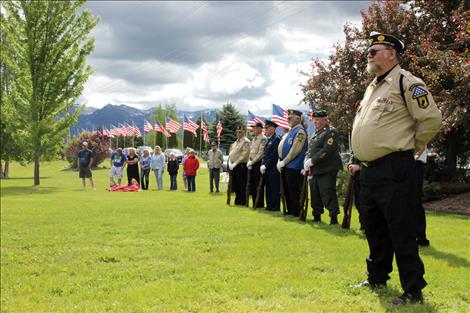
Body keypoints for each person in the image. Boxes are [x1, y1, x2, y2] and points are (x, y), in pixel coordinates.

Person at [351, 32, 442, 305]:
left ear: (391, 54)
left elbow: (431, 120)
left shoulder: (408, 83)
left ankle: (413, 290)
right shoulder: (372, 87)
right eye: (368, 51)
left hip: (395, 168)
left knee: (401, 230)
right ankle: (377, 276)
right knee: (374, 227)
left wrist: (411, 147)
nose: (369, 54)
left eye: (374, 51)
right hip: (369, 171)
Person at [303, 110, 343, 224]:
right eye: (314, 120)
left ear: (325, 120)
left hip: (327, 168)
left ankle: (333, 218)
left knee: (327, 192)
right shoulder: (315, 133)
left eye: (319, 120)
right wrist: (306, 160)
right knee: (315, 193)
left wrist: (313, 161)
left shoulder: (331, 132)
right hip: (315, 169)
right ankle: (317, 216)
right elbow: (310, 150)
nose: (316, 122)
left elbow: (327, 150)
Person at [277, 109, 307, 216]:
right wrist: (280, 160)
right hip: (286, 165)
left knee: (293, 190)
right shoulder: (291, 131)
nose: (288, 119)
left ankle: (296, 212)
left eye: (290, 117)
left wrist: (284, 162)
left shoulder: (300, 132)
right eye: (288, 117)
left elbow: (295, 150)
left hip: (294, 165)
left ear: (298, 119)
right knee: (287, 190)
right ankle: (290, 210)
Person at [260, 120, 281, 211]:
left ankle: (275, 206)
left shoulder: (276, 139)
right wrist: (262, 164)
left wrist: (266, 165)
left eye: (267, 128)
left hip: (273, 168)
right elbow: (265, 155)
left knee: (274, 187)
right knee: (268, 187)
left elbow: (274, 155)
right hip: (267, 168)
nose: (265, 130)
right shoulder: (269, 139)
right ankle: (269, 205)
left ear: (273, 128)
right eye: (265, 128)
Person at [247, 122, 267, 208]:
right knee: (252, 184)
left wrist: (252, 162)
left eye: (254, 128)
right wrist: (249, 161)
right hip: (252, 164)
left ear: (259, 129)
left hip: (258, 163)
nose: (253, 129)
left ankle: (259, 203)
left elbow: (261, 153)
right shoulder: (254, 139)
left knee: (258, 185)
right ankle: (255, 202)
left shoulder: (263, 139)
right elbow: (251, 152)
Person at [228, 126, 251, 205]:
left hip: (241, 166)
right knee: (236, 184)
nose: (238, 133)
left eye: (240, 131)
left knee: (242, 185)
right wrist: (231, 162)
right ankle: (237, 201)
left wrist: (235, 163)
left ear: (244, 131)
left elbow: (244, 155)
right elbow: (232, 153)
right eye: (237, 131)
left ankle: (242, 201)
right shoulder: (235, 142)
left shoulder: (246, 142)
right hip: (234, 166)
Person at [415, 145, 430, 246]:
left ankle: (421, 238)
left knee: (415, 203)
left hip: (415, 164)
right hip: (408, 164)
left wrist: (415, 156)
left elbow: (423, 143)